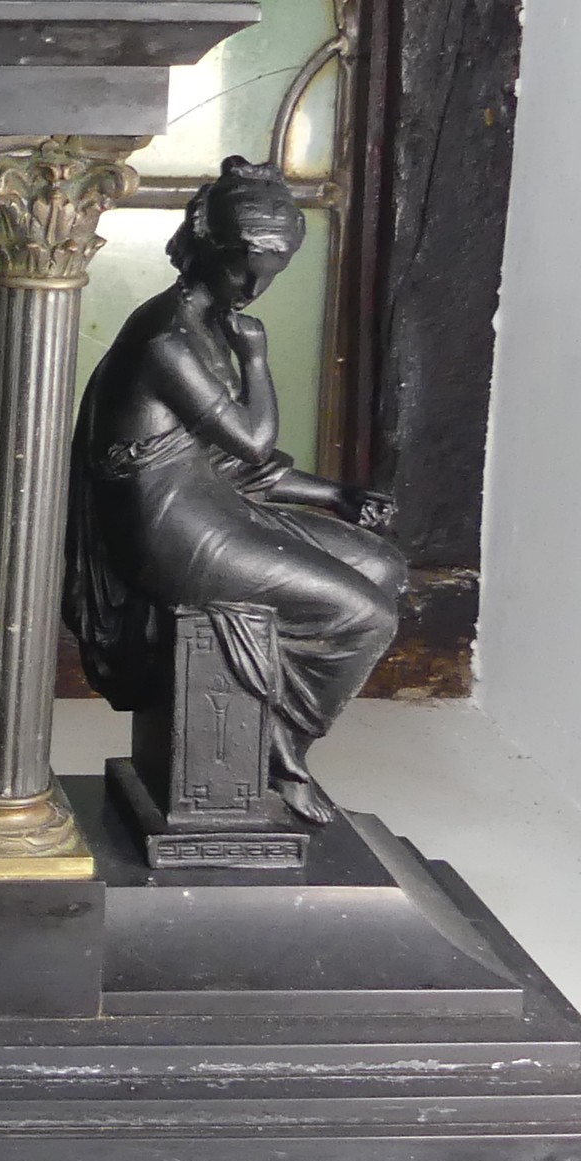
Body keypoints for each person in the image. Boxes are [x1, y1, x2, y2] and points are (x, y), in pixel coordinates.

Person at [64, 156, 404, 825]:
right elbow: (250, 442)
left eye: (272, 269)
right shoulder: (166, 338)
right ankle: (281, 751)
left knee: (384, 565)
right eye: (242, 264)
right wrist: (256, 360)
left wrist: (335, 496)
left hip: (213, 503)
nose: (254, 285)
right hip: (172, 532)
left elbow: (237, 467)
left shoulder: (215, 323)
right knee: (368, 616)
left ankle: (273, 733)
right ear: (204, 244)